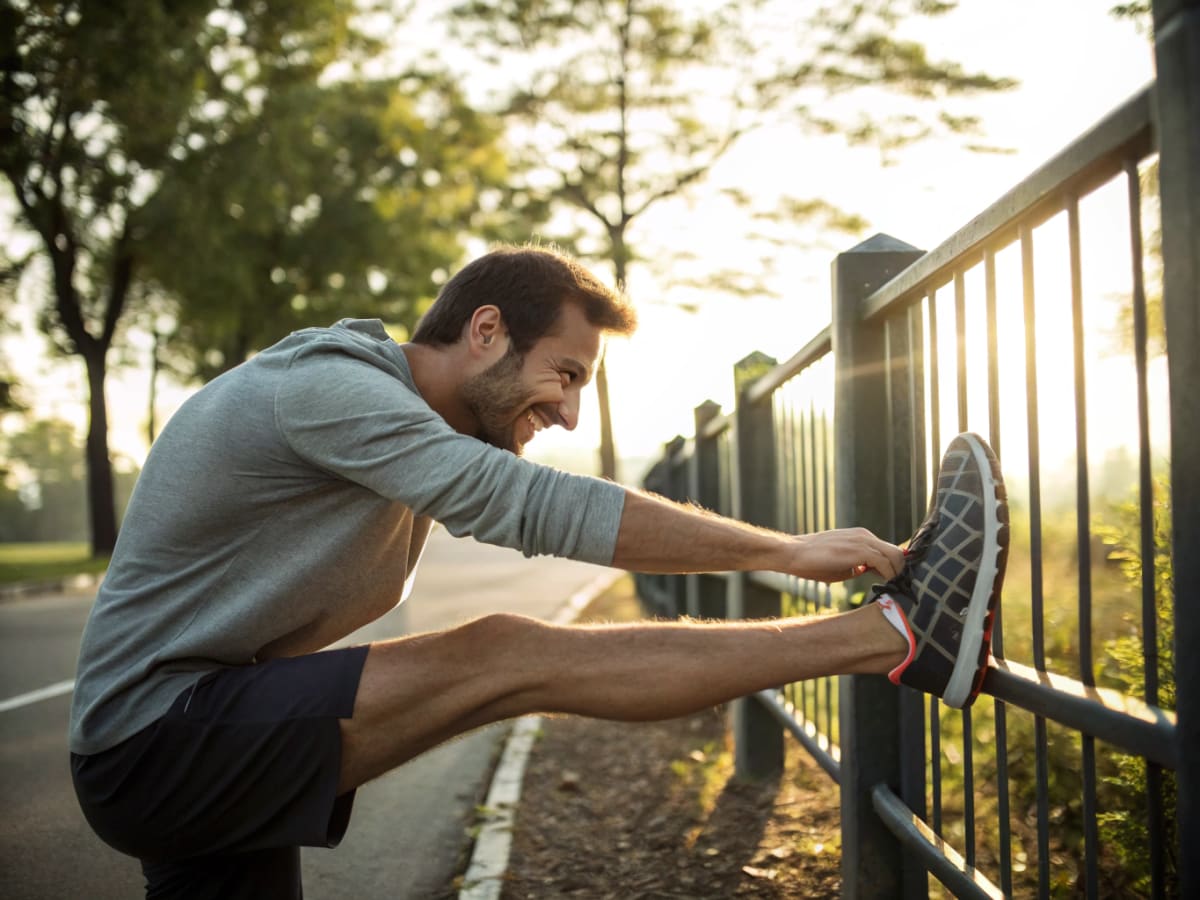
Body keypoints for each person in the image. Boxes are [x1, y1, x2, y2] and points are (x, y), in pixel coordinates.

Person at [69, 244, 1008, 899]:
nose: (563, 414)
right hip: (155, 735)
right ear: (485, 331)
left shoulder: (394, 417)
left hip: (191, 734)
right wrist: (782, 549)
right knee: (504, 654)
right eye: (562, 375)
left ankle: (898, 634)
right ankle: (895, 635)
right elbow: (530, 509)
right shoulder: (329, 392)